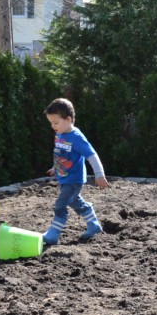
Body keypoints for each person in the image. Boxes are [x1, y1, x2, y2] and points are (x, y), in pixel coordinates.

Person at [42, 98, 109, 245]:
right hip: (64, 178)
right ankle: (94, 225)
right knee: (75, 202)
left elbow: (92, 155)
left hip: (73, 180)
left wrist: (99, 174)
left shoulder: (77, 138)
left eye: (55, 122)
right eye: (51, 123)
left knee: (60, 205)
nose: (53, 126)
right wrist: (55, 167)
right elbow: (61, 154)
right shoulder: (60, 134)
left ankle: (53, 234)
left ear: (68, 119)